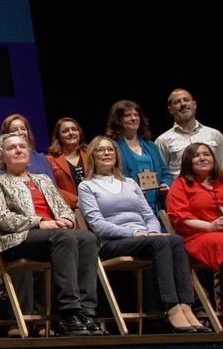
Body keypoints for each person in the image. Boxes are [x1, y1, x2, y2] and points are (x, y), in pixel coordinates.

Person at [78, 136, 208, 333]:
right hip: (114, 242)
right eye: (100, 150)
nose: (106, 153)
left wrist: (153, 230)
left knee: (175, 240)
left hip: (145, 237)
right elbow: (98, 225)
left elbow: (148, 213)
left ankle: (186, 305)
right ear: (92, 157)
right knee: (161, 243)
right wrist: (134, 232)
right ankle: (171, 307)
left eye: (110, 150)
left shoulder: (130, 182)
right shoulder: (87, 186)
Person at [0, 132, 102, 336]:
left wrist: (66, 220)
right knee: (64, 237)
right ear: (1, 156)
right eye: (12, 147)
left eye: (22, 146)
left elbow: (64, 208)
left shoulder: (44, 180)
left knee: (88, 238)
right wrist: (39, 222)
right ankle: (69, 312)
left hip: (53, 238)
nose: (19, 150)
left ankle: (86, 312)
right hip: (17, 239)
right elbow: (1, 218)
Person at [166, 143, 223, 280]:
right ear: (188, 161)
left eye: (206, 154)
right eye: (196, 156)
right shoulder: (181, 184)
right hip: (197, 236)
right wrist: (210, 226)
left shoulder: (220, 181)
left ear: (213, 159)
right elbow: (180, 217)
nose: (202, 158)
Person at [106, 100, 173, 214]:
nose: (133, 118)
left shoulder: (150, 145)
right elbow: (108, 178)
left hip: (157, 206)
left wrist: (165, 184)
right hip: (130, 207)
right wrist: (132, 189)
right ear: (118, 120)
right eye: (128, 115)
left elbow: (164, 173)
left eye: (136, 115)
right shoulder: (112, 146)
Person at [156, 89, 223, 176]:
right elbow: (161, 174)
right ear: (170, 110)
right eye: (177, 102)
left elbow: (221, 167)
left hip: (212, 188)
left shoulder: (215, 134)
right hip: (179, 188)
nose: (183, 104)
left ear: (194, 105)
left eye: (186, 100)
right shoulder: (162, 140)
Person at [0, 114, 57, 185]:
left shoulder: (42, 159)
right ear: (6, 135)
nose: (20, 132)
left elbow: (54, 188)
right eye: (14, 130)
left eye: (23, 129)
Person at [46, 117, 88, 208]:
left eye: (74, 129)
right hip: (68, 209)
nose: (71, 133)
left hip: (95, 205)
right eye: (65, 131)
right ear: (58, 137)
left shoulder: (90, 155)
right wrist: (77, 201)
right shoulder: (50, 160)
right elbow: (51, 188)